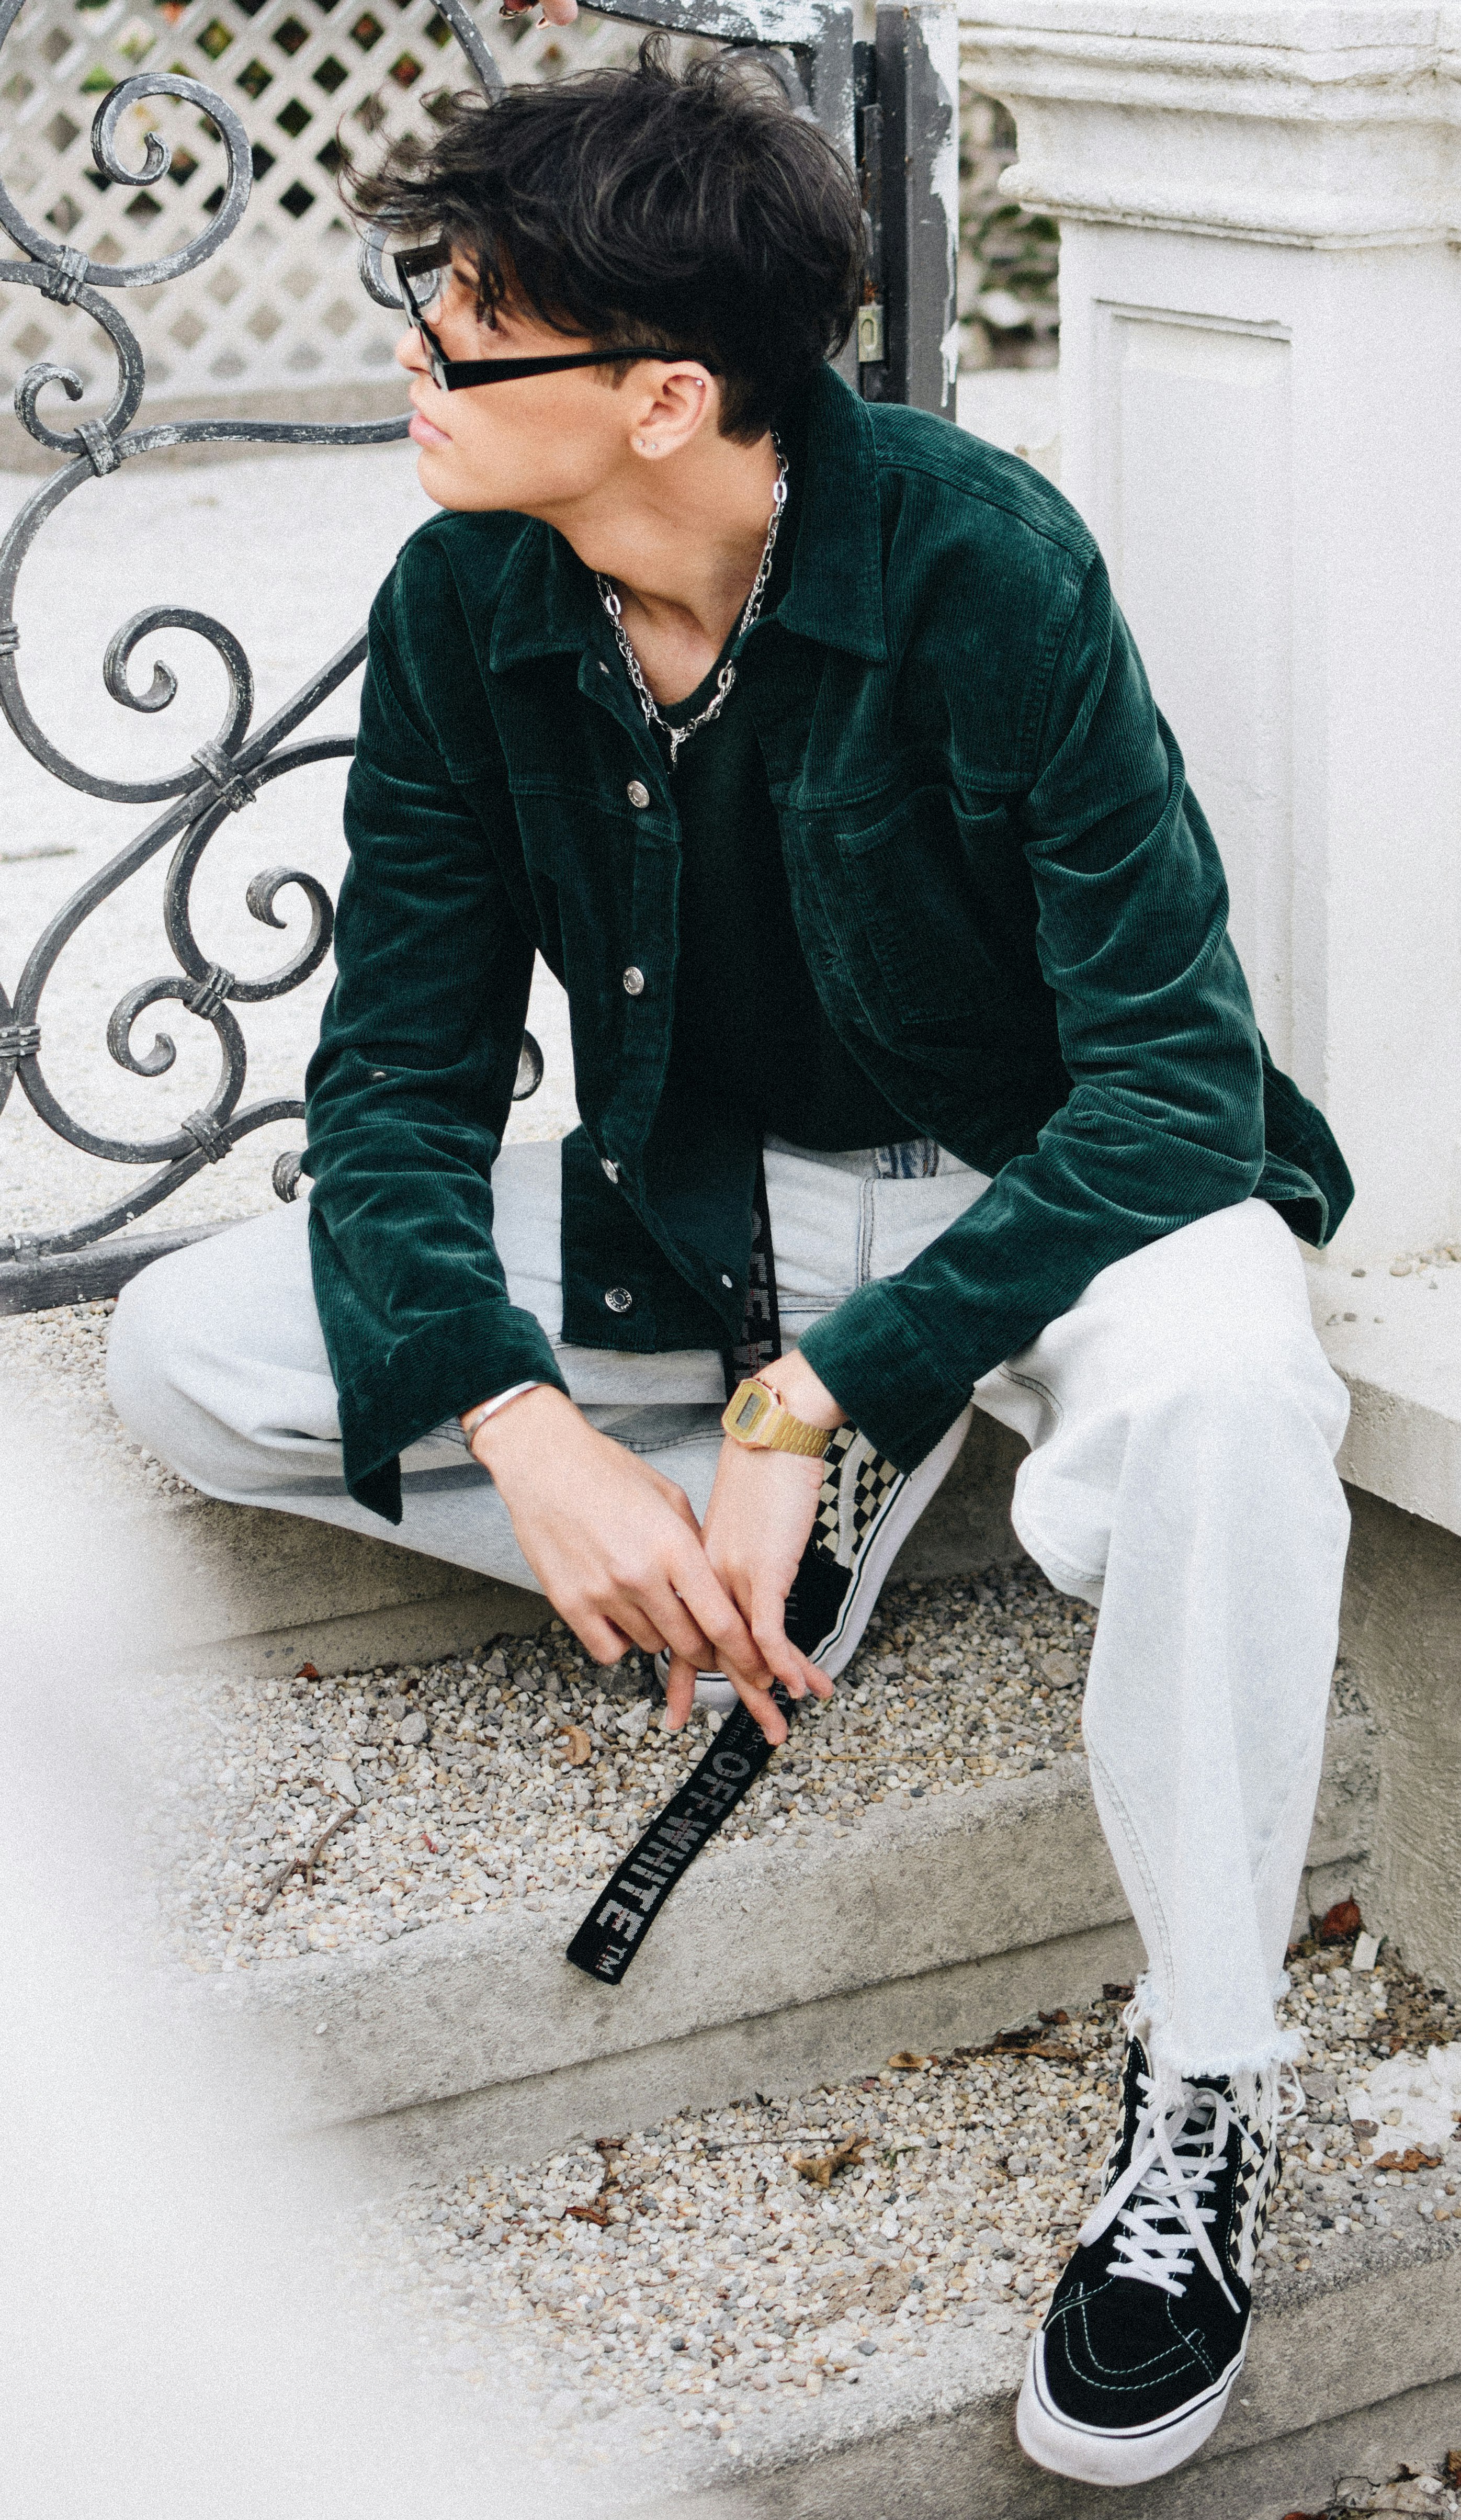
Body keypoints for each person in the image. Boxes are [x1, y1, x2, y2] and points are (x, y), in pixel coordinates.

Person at [107, 43, 1355, 2488]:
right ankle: (782, 1530)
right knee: (193, 1353)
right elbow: (393, 1089)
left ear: (664, 396)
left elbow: (1176, 1085)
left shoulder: (982, 562)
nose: (412, 364)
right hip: (709, 1213)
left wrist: (825, 1389)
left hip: (1039, 1191)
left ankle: (1208, 2072)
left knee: (1225, 1389)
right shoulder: (470, 593)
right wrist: (524, 1419)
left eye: (463, 334)